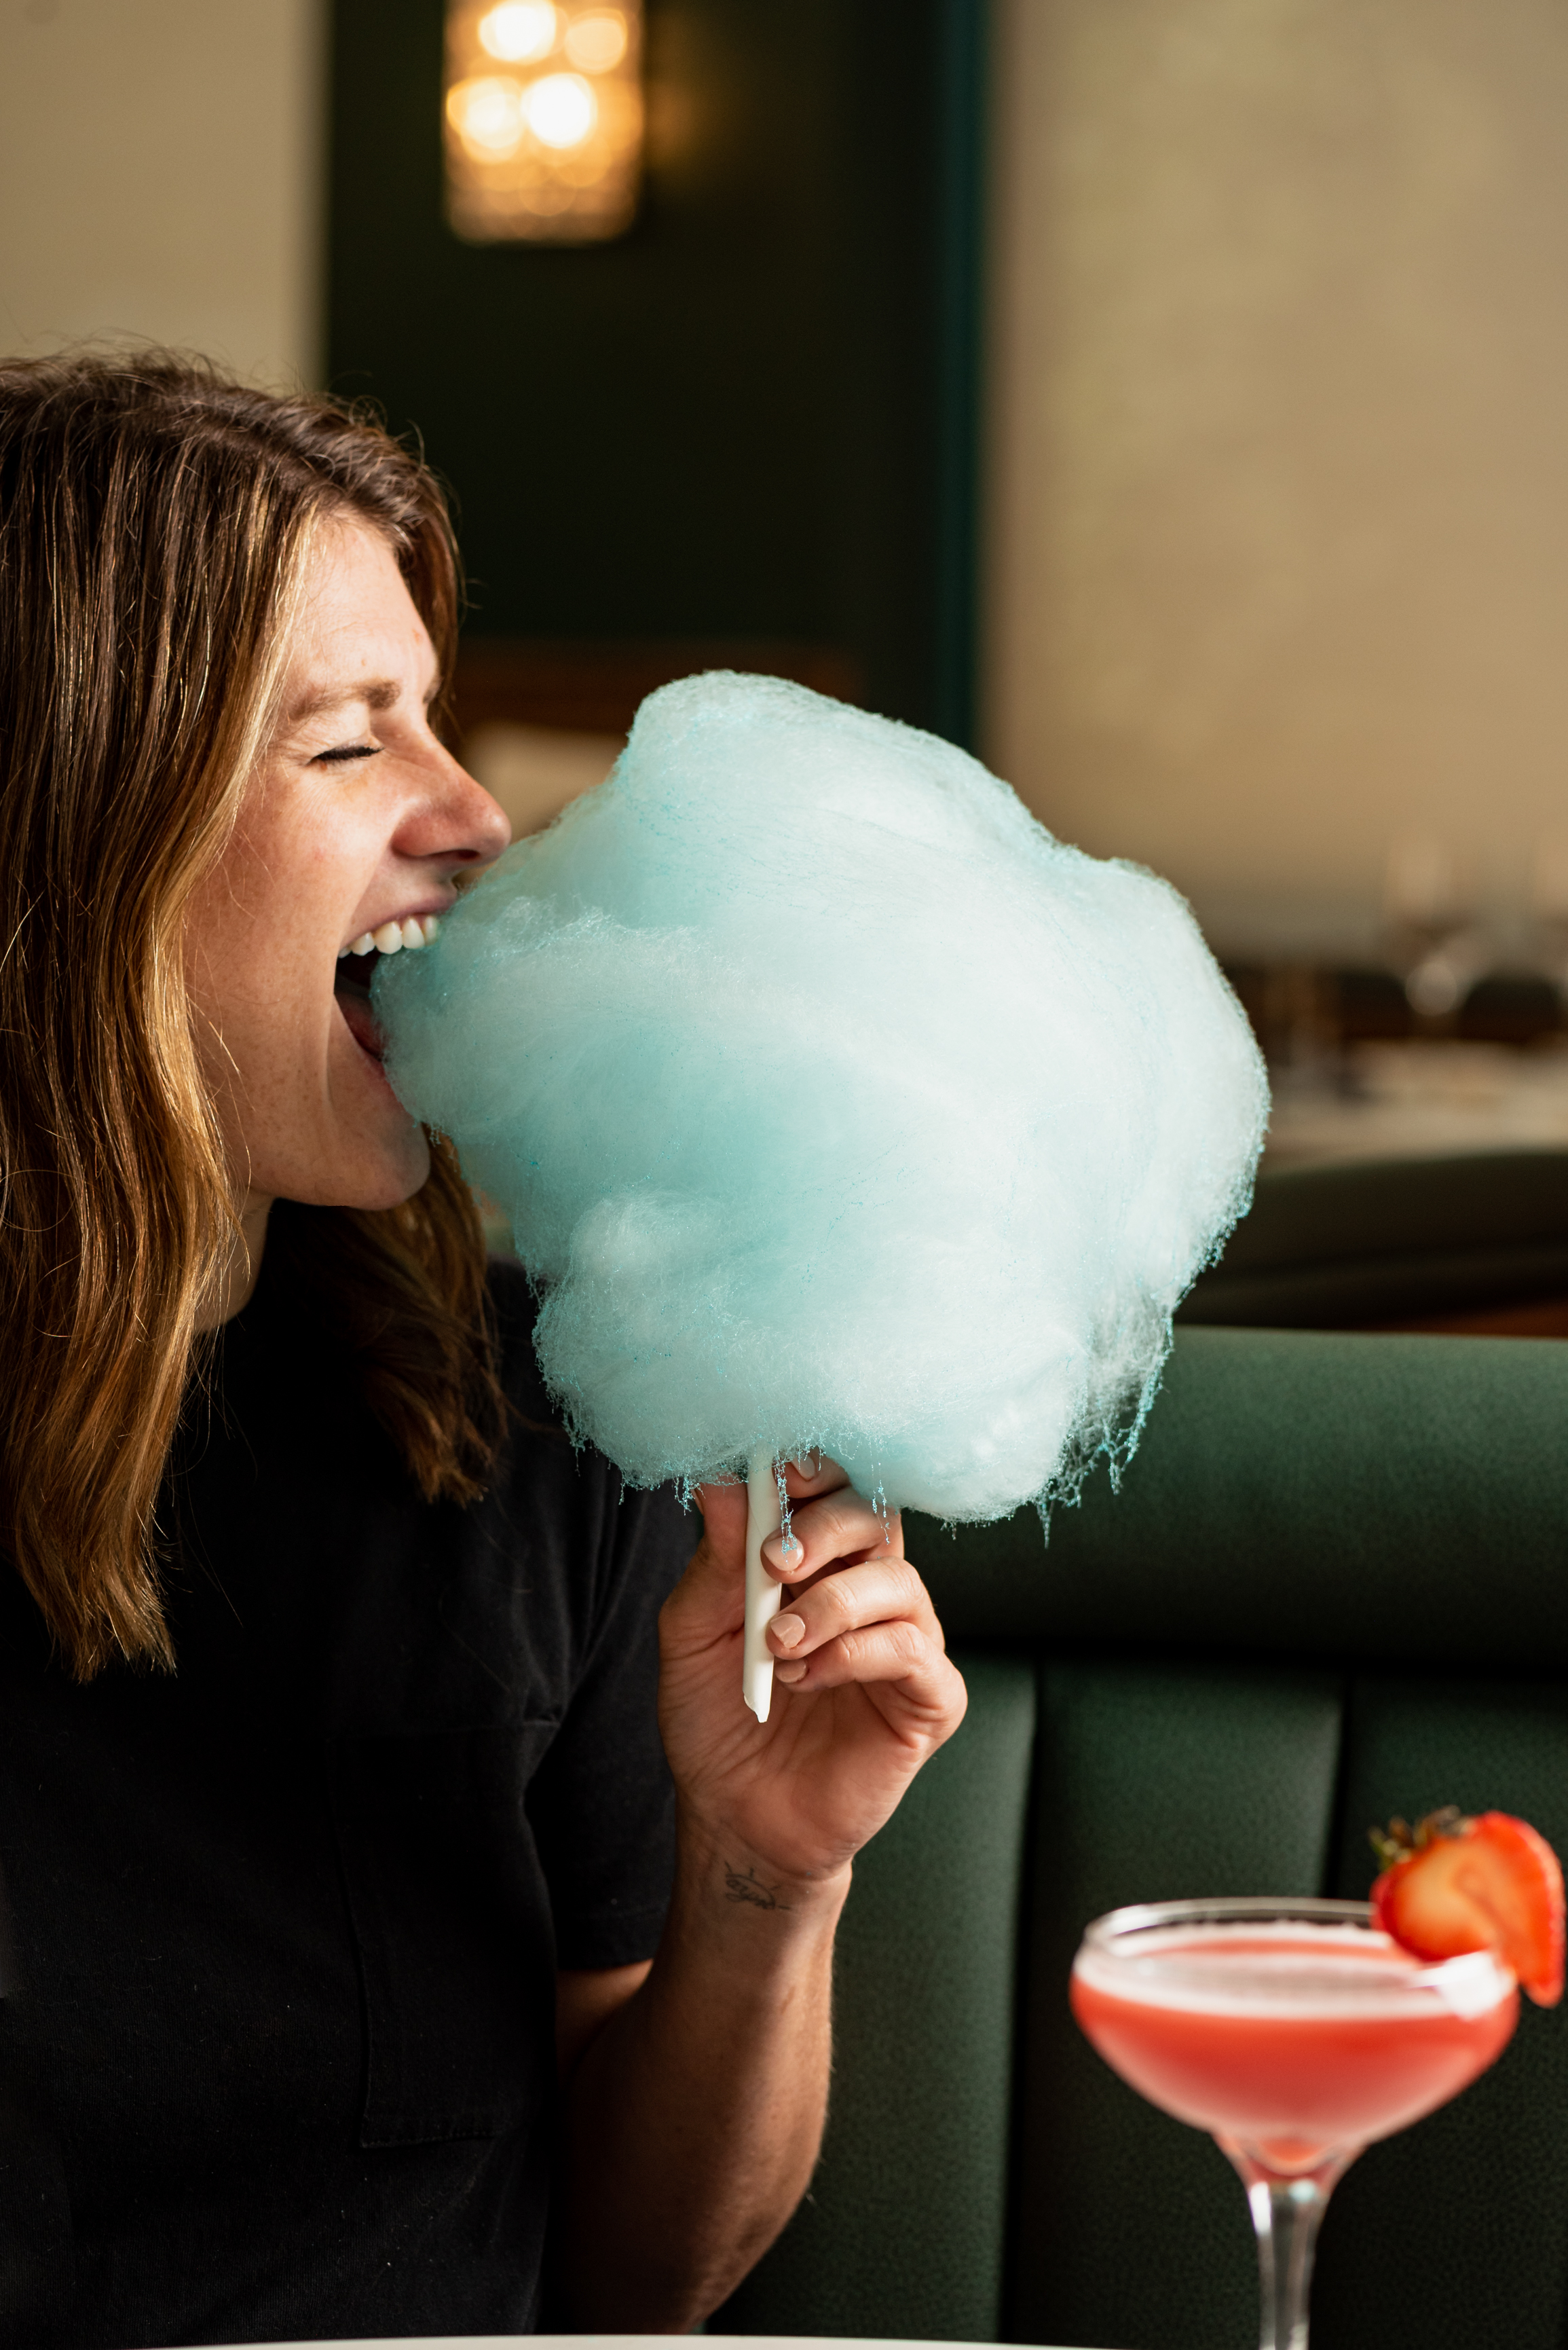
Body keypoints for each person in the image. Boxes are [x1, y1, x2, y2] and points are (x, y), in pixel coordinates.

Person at [0, 354, 967, 2347]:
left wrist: (764, 1885)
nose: (474, 816)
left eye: (433, 718)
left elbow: (636, 2280)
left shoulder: (549, 1426)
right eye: (350, 746)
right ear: (73, 829)